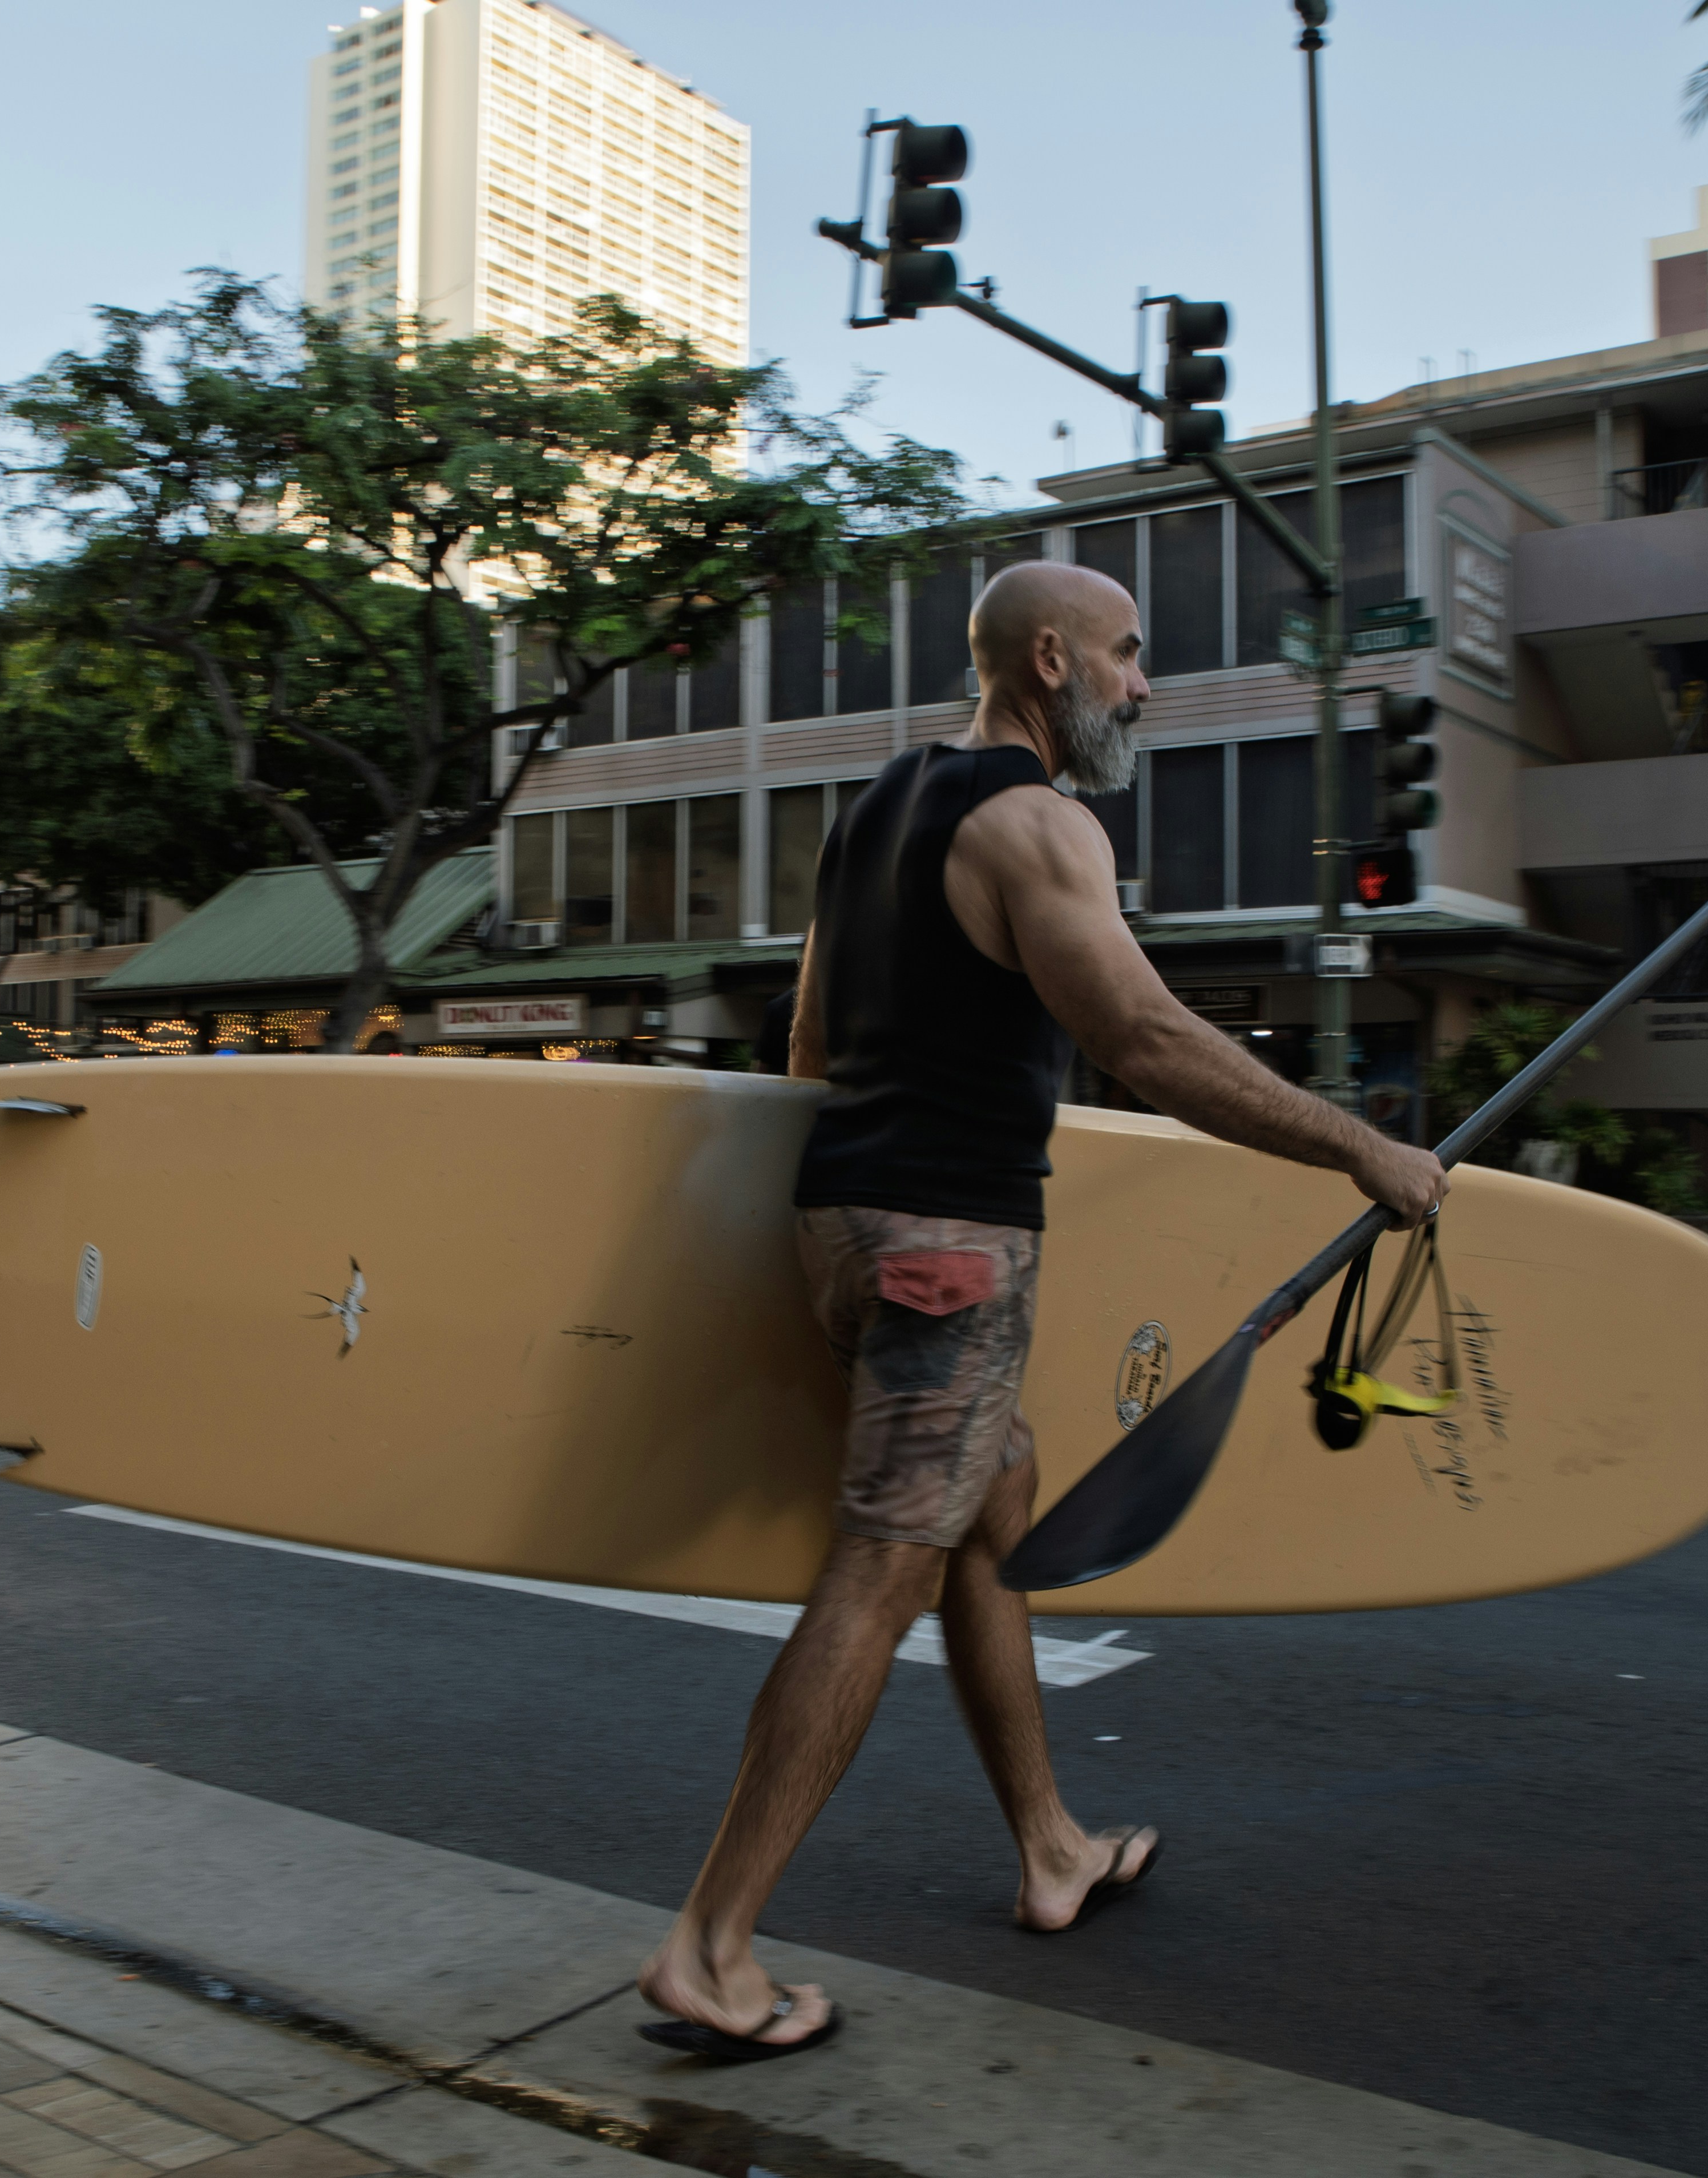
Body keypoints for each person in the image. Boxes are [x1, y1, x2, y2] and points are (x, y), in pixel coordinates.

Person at [635, 559, 1451, 2059]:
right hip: (951, 1242)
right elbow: (1138, 1034)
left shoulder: (879, 811)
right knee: (885, 1571)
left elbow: (814, 1036)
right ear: (1055, 659)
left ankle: (1052, 1848)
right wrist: (1360, 1145)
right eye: (1133, 657)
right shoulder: (1038, 824)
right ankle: (709, 1946)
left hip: (841, 1222)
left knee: (990, 1502)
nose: (1144, 688)